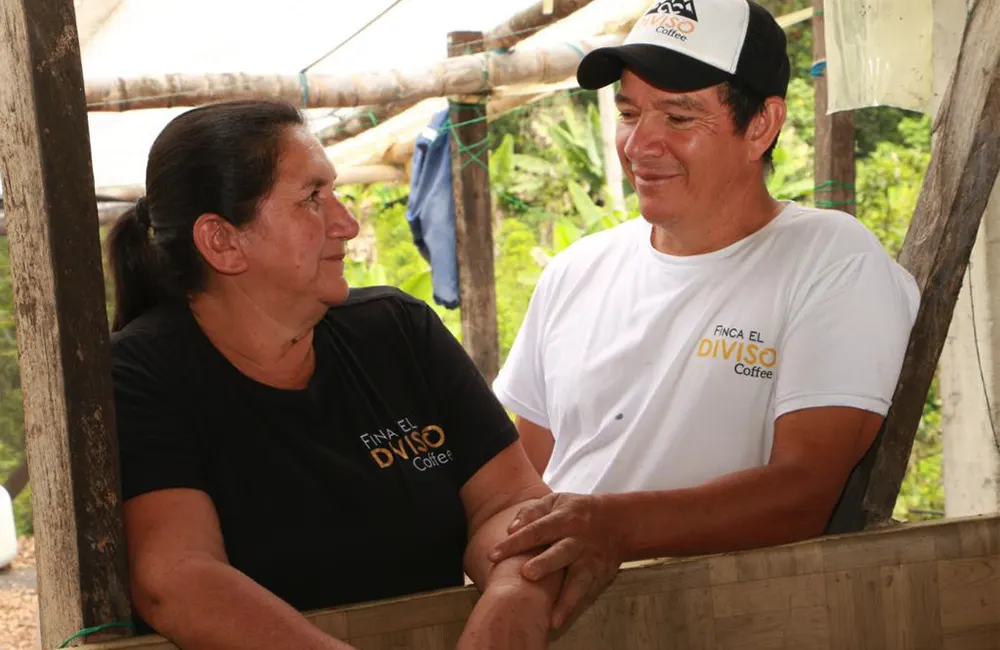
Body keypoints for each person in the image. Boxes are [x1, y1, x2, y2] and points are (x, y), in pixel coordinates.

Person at [105, 99, 600, 650]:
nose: (347, 221)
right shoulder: (139, 374)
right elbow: (176, 577)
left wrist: (513, 596)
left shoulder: (398, 332)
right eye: (313, 199)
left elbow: (508, 505)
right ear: (223, 241)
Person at [488, 0, 921, 626]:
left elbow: (802, 492)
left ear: (762, 126)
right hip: (552, 611)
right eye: (630, 112)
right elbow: (521, 482)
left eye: (679, 115)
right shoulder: (574, 272)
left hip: (719, 616)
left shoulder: (830, 259)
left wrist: (612, 524)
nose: (640, 144)